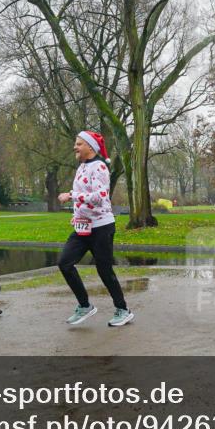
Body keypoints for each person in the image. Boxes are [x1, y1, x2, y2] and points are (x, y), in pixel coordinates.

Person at [57, 131, 134, 327]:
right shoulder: (82, 166)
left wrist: (72, 195)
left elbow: (100, 196)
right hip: (83, 228)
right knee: (64, 263)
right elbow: (85, 195)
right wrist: (77, 216)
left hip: (101, 227)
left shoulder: (99, 167)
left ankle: (123, 310)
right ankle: (85, 306)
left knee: (104, 270)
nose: (75, 147)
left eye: (79, 144)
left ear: (90, 147)